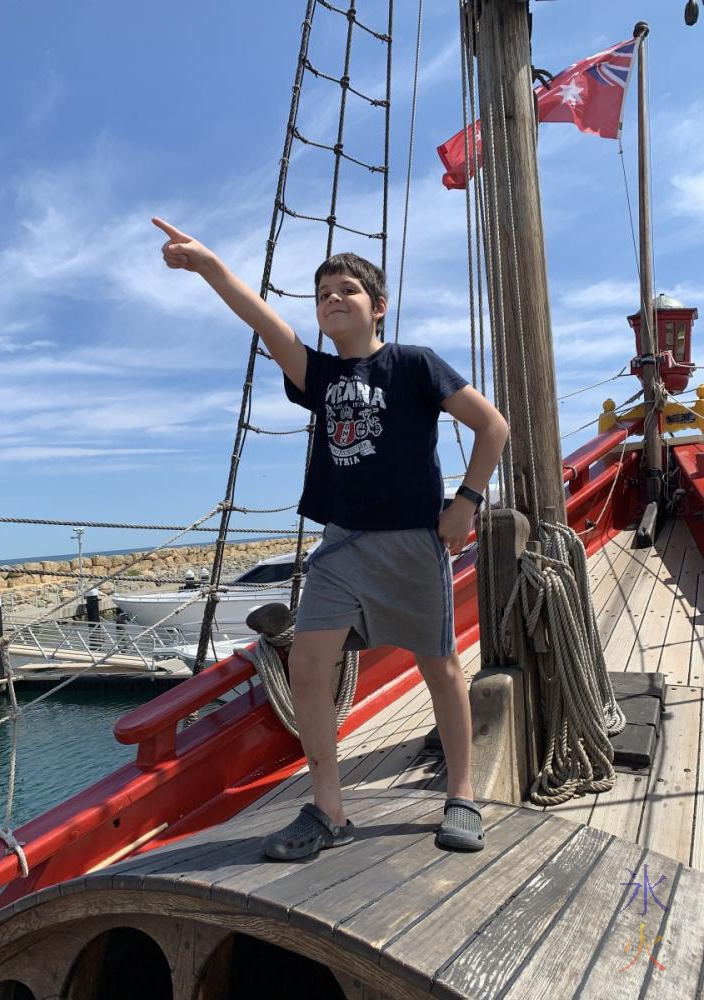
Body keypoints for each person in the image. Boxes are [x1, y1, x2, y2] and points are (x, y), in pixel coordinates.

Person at [152, 216, 509, 859]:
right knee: (309, 667)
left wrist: (467, 503)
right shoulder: (318, 377)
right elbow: (264, 321)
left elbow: (493, 427)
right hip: (342, 546)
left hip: (409, 541)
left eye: (347, 288)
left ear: (379, 306)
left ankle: (461, 794)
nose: (333, 299)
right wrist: (209, 266)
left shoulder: (415, 365)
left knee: (441, 666)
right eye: (322, 294)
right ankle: (327, 809)